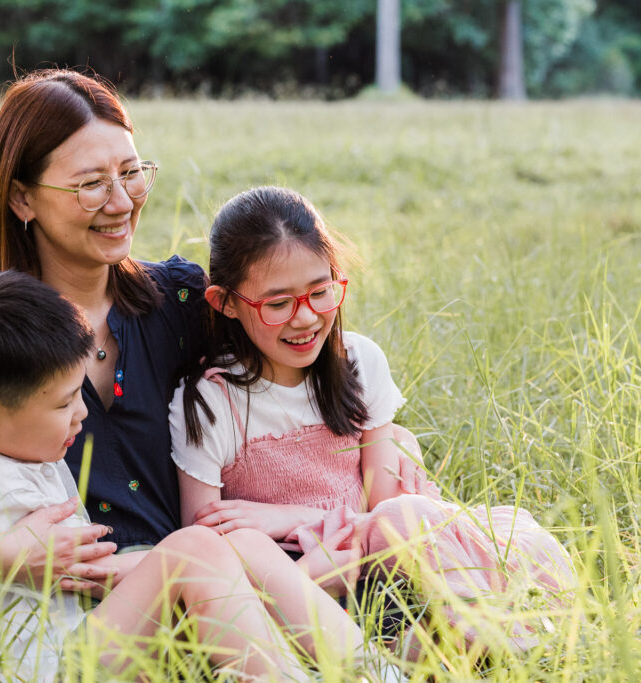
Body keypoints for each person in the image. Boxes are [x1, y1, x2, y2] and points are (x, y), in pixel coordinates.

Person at [0, 69, 425, 595]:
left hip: (224, 585)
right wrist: (5, 558)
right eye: (91, 184)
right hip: (74, 613)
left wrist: (387, 440)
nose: (122, 202)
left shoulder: (180, 302)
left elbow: (298, 373)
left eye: (131, 173)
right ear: (22, 197)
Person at [0, 269, 392, 681]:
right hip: (42, 668)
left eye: (77, 393)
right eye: (63, 404)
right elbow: (90, 575)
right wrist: (188, 558)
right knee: (195, 551)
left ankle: (371, 668)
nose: (82, 414)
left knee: (228, 546)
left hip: (68, 639)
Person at [170, 186, 576, 652]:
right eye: (278, 304)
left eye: (321, 292)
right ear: (226, 303)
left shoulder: (360, 362)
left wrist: (286, 515)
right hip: (300, 585)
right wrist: (307, 560)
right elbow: (209, 549)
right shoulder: (209, 401)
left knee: (437, 523)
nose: (306, 319)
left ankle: (482, 635)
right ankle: (467, 642)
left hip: (384, 565)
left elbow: (385, 513)